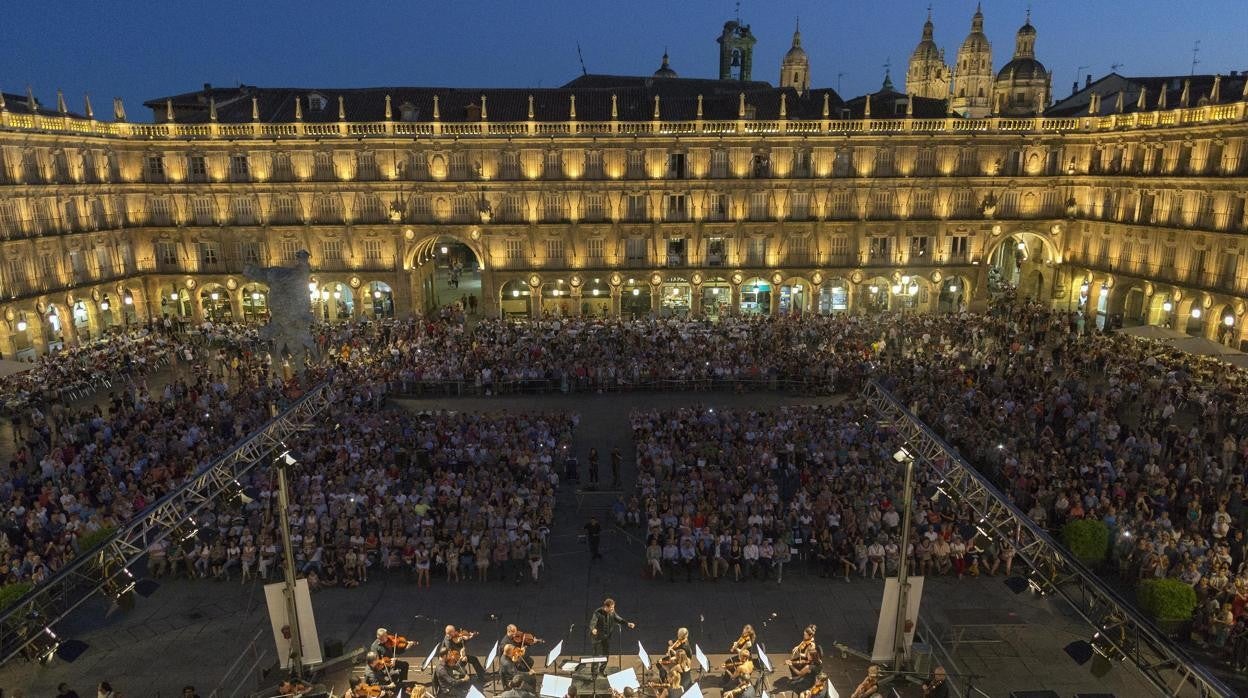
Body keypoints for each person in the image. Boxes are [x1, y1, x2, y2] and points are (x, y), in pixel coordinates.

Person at [590, 598, 635, 675]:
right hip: (597, 637)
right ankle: (594, 672)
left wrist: (627, 623)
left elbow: (619, 619)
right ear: (606, 607)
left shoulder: (612, 612)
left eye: (613, 607)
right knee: (596, 654)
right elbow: (593, 622)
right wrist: (593, 629)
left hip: (606, 637)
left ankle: (602, 670)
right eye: (611, 607)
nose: (612, 609)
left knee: (606, 654)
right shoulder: (598, 612)